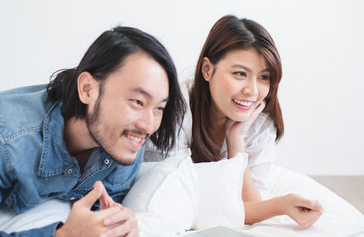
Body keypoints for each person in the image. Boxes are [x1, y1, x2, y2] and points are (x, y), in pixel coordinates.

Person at [0, 26, 186, 236]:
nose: (148, 126)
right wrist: (63, 235)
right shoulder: (9, 141)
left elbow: (108, 207)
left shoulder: (126, 141)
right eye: (137, 101)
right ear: (88, 89)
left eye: (159, 108)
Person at [145, 15, 323, 228]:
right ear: (207, 70)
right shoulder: (176, 110)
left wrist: (236, 139)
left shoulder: (259, 124)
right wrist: (279, 205)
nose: (253, 91)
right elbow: (178, 198)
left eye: (263, 77)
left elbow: (250, 205)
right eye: (240, 74)